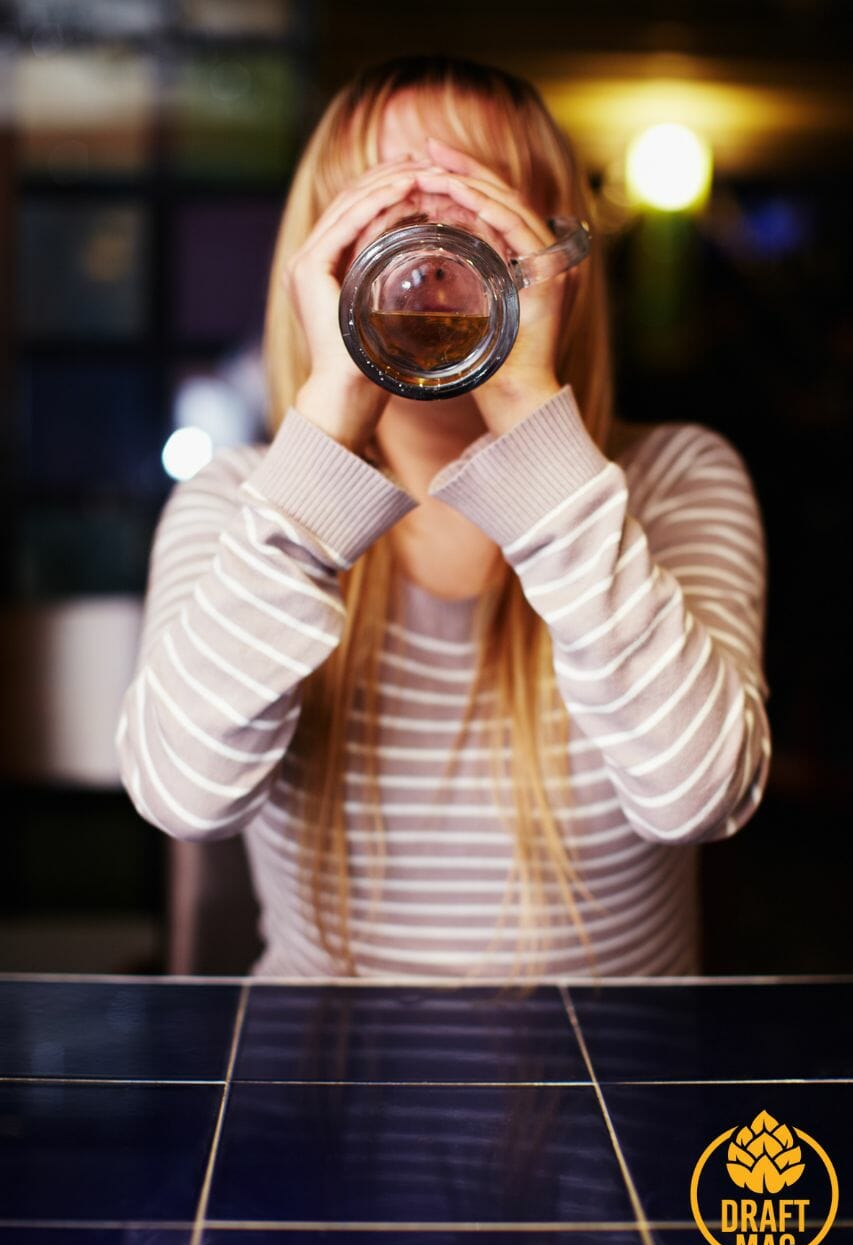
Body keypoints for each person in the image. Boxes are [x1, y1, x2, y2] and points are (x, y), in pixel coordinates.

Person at [116, 55, 771, 981]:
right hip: (323, 1089)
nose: (428, 247)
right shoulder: (241, 502)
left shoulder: (674, 478)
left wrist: (532, 422)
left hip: (614, 1091)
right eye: (381, 205)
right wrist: (331, 409)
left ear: (558, 262)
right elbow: (183, 796)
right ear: (317, 257)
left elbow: (697, 798)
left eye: (478, 200)